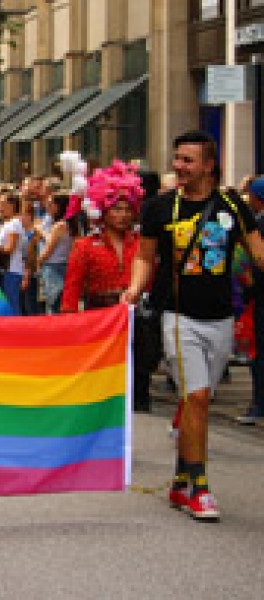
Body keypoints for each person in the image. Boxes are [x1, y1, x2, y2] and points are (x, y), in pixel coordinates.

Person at [122, 131, 264, 521]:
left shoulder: (234, 206)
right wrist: (134, 288)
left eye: (187, 160)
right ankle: (200, 487)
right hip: (177, 316)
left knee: (196, 402)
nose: (178, 167)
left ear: (208, 165)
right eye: (177, 159)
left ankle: (180, 479)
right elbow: (144, 257)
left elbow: (257, 252)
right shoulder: (159, 208)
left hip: (221, 318)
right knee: (197, 397)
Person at [60, 160, 151, 411]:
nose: (122, 215)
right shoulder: (85, 246)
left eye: (127, 209)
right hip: (99, 319)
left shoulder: (142, 244)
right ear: (103, 209)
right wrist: (70, 324)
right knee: (102, 385)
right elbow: (72, 289)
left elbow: (151, 280)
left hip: (136, 319)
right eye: (115, 209)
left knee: (138, 383)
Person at [237, 176, 264, 425]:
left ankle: (259, 404)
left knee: (259, 352)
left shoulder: (257, 226)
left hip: (259, 299)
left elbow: (251, 265)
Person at [37, 193, 75, 314]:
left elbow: (48, 249)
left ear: (59, 206)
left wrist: (39, 261)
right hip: (63, 266)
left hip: (54, 268)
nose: (47, 207)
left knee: (53, 306)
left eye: (50, 204)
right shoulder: (69, 224)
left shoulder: (59, 225)